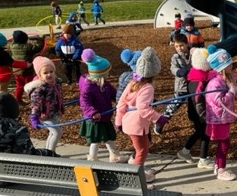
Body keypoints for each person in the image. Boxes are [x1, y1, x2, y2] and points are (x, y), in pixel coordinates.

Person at [114, 47, 167, 185]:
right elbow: (143, 108)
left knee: (142, 148)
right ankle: (136, 179)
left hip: (128, 122)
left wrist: (118, 121)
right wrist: (158, 118)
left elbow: (121, 103)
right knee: (142, 151)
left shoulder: (133, 81)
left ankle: (138, 171)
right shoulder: (148, 87)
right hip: (136, 124)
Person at [79, 48, 128, 163]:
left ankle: (114, 156)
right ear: (100, 74)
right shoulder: (88, 87)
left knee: (108, 137)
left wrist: (123, 100)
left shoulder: (104, 84)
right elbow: (84, 103)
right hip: (95, 119)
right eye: (106, 73)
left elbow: (114, 94)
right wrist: (93, 112)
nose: (108, 75)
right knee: (96, 140)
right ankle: (92, 158)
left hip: (105, 117)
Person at [205, 45, 237, 181]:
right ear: (221, 67)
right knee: (224, 143)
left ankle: (218, 165)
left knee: (224, 142)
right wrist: (231, 92)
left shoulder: (227, 79)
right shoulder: (214, 83)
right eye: (228, 64)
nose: (231, 65)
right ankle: (221, 169)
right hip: (218, 118)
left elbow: (233, 97)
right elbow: (219, 101)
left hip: (225, 117)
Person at [176, 47, 215, 169]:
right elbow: (199, 101)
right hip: (200, 114)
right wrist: (204, 117)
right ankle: (203, 160)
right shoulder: (201, 81)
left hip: (194, 112)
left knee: (198, 132)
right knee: (205, 135)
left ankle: (185, 151)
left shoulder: (193, 75)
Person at [27, 56, 65, 154]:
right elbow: (36, 104)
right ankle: (51, 153)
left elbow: (57, 96)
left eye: (51, 71)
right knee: (57, 133)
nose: (49, 74)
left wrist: (60, 106)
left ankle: (47, 152)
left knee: (53, 133)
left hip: (53, 113)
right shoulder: (40, 88)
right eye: (45, 73)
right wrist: (34, 117)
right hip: (44, 115)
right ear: (39, 75)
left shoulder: (55, 83)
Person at [155, 32, 190, 135]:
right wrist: (178, 72)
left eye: (181, 45)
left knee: (196, 105)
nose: (179, 48)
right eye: (176, 46)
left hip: (194, 85)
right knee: (174, 105)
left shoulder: (192, 53)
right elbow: (173, 68)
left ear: (187, 44)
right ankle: (161, 121)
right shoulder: (175, 57)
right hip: (182, 87)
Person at [10, 30, 45, 104]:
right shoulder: (27, 47)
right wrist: (41, 39)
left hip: (17, 71)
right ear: (25, 40)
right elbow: (38, 48)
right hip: (27, 71)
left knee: (19, 86)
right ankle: (34, 100)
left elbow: (14, 40)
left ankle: (17, 99)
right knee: (31, 86)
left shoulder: (12, 46)